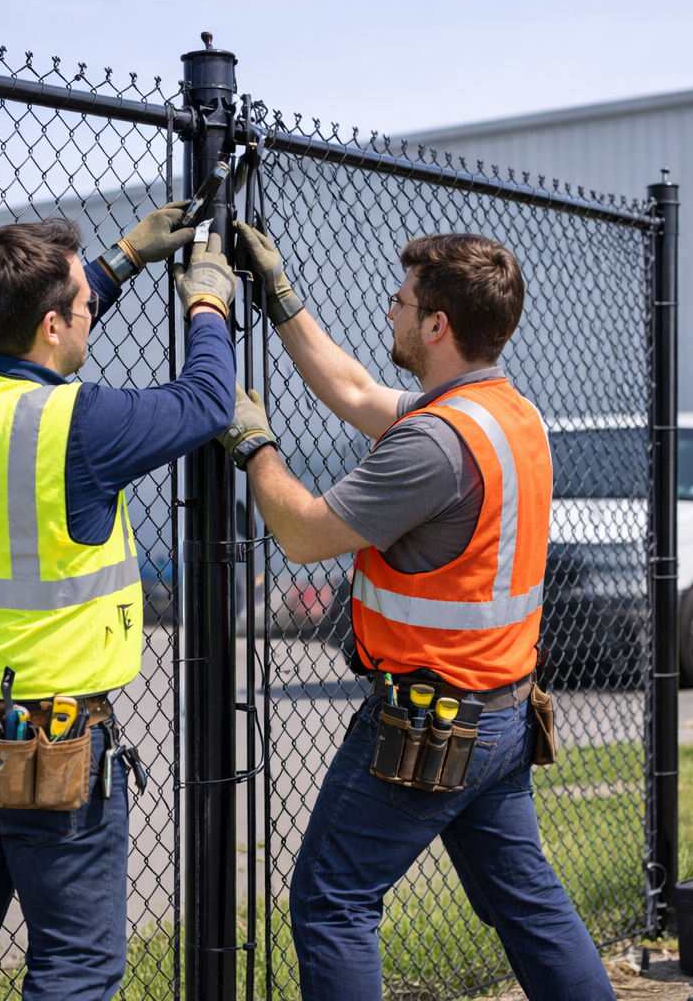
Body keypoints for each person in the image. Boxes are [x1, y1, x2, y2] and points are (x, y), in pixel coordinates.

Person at [220, 222, 615, 1001]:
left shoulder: (433, 444)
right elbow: (359, 392)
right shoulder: (507, 416)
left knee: (332, 901)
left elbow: (301, 534)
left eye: (400, 303)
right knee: (525, 901)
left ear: (437, 324)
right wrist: (280, 296)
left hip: (431, 722)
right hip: (501, 715)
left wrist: (253, 444)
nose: (391, 313)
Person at [0, 206, 238, 1000]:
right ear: (50, 324)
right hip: (50, 747)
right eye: (83, 306)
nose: (90, 317)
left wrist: (122, 259)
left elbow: (42, 327)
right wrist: (208, 303)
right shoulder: (78, 424)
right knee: (75, 967)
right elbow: (209, 400)